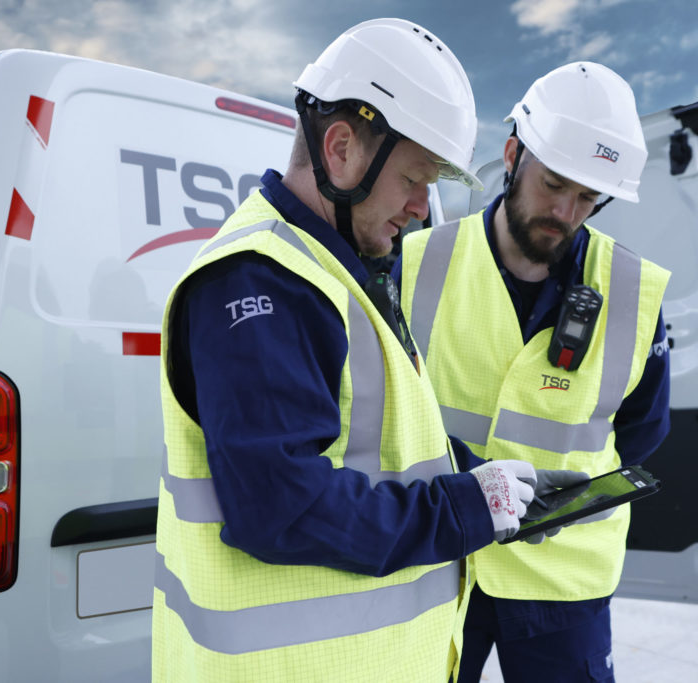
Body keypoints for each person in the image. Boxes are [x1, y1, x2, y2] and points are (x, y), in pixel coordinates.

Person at [151, 18, 548, 682]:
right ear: (341, 150)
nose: (423, 209)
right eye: (416, 180)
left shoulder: (338, 271)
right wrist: (461, 509)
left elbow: (376, 443)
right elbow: (281, 506)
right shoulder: (260, 280)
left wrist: (476, 479)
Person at [395, 62, 672, 682]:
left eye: (588, 198)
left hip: (563, 582)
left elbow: (642, 430)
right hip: (445, 558)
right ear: (513, 154)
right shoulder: (415, 264)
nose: (567, 211)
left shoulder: (634, 292)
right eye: (554, 185)